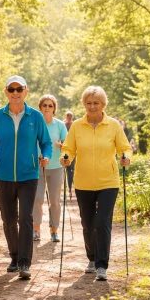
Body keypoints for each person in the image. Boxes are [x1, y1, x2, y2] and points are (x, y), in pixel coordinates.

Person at [0, 76, 52, 280]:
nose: (15, 93)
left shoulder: (35, 116)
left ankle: (24, 262)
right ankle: (14, 257)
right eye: (11, 89)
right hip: (3, 174)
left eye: (19, 89)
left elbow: (46, 142)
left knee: (25, 218)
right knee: (9, 219)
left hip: (29, 175)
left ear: (25, 91)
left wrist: (46, 156)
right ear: (6, 92)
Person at [60, 86, 131, 282]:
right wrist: (65, 157)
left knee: (102, 222)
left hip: (108, 181)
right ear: (84, 104)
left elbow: (124, 147)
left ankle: (102, 265)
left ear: (103, 104)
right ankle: (91, 258)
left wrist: (125, 157)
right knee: (88, 223)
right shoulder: (76, 126)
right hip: (83, 182)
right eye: (89, 103)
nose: (92, 106)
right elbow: (68, 148)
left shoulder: (113, 125)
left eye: (96, 103)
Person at [33, 95, 68, 243]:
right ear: (40, 108)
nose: (47, 108)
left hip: (56, 167)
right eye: (44, 105)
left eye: (50, 106)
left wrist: (62, 147)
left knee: (54, 200)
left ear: (54, 109)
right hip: (38, 167)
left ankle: (54, 230)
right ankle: (36, 229)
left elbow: (67, 145)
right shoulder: (35, 124)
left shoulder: (60, 125)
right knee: (37, 199)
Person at [63, 111, 75, 194]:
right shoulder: (62, 125)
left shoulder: (74, 125)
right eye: (68, 116)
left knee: (72, 169)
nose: (69, 117)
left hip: (73, 151)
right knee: (67, 169)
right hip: (64, 150)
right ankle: (69, 188)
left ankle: (71, 187)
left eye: (70, 116)